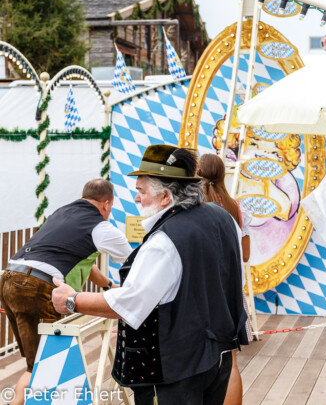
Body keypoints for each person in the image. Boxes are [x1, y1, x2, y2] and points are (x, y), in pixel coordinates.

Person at [52, 144, 248, 405]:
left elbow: (129, 302)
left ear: (166, 197)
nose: (136, 199)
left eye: (141, 192)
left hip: (174, 369)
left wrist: (71, 300)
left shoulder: (164, 241)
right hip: (216, 358)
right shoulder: (222, 218)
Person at [0, 178, 132, 405]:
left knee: (36, 366)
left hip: (9, 278)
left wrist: (108, 285)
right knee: (42, 369)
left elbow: (83, 263)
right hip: (34, 286)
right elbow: (133, 261)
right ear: (107, 204)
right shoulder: (100, 226)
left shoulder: (61, 214)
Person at [197, 153, 253, 405]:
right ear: (224, 174)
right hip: (230, 291)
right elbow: (246, 255)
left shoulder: (191, 209)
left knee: (194, 359)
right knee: (229, 360)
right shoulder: (238, 208)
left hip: (199, 291)